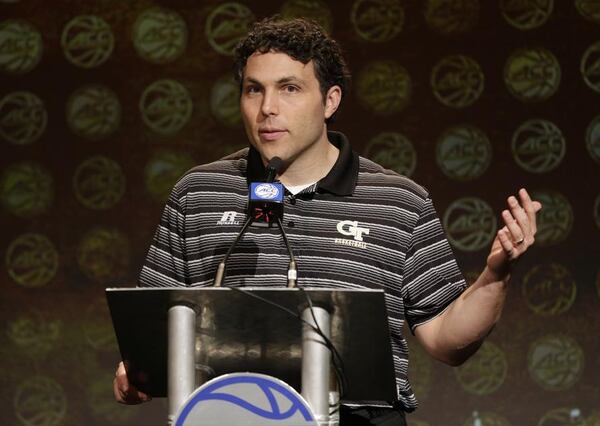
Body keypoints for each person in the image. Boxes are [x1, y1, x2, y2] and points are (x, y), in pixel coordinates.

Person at [113, 17, 541, 425]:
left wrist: (494, 275)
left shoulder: (396, 200)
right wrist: (136, 371)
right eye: (253, 90)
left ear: (330, 100)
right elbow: (154, 327)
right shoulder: (200, 192)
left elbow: (445, 339)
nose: (267, 108)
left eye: (290, 89)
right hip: (228, 415)